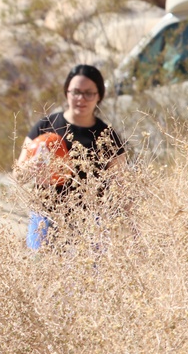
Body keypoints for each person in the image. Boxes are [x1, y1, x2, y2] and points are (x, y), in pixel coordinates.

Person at [14, 64, 127, 250]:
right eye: (75, 92)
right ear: (66, 92)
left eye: (89, 93)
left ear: (99, 95)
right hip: (45, 216)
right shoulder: (45, 126)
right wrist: (31, 167)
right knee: (41, 271)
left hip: (90, 221)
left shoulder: (107, 136)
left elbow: (122, 186)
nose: (81, 98)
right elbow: (18, 175)